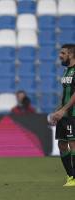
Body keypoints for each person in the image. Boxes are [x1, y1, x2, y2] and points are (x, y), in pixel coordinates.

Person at [50, 44, 75, 187]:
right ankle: (70, 176)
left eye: (63, 53)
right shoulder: (66, 71)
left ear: (71, 54)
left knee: (73, 144)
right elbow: (65, 93)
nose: (60, 55)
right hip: (64, 114)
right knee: (62, 145)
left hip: (73, 114)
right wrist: (57, 111)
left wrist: (64, 110)